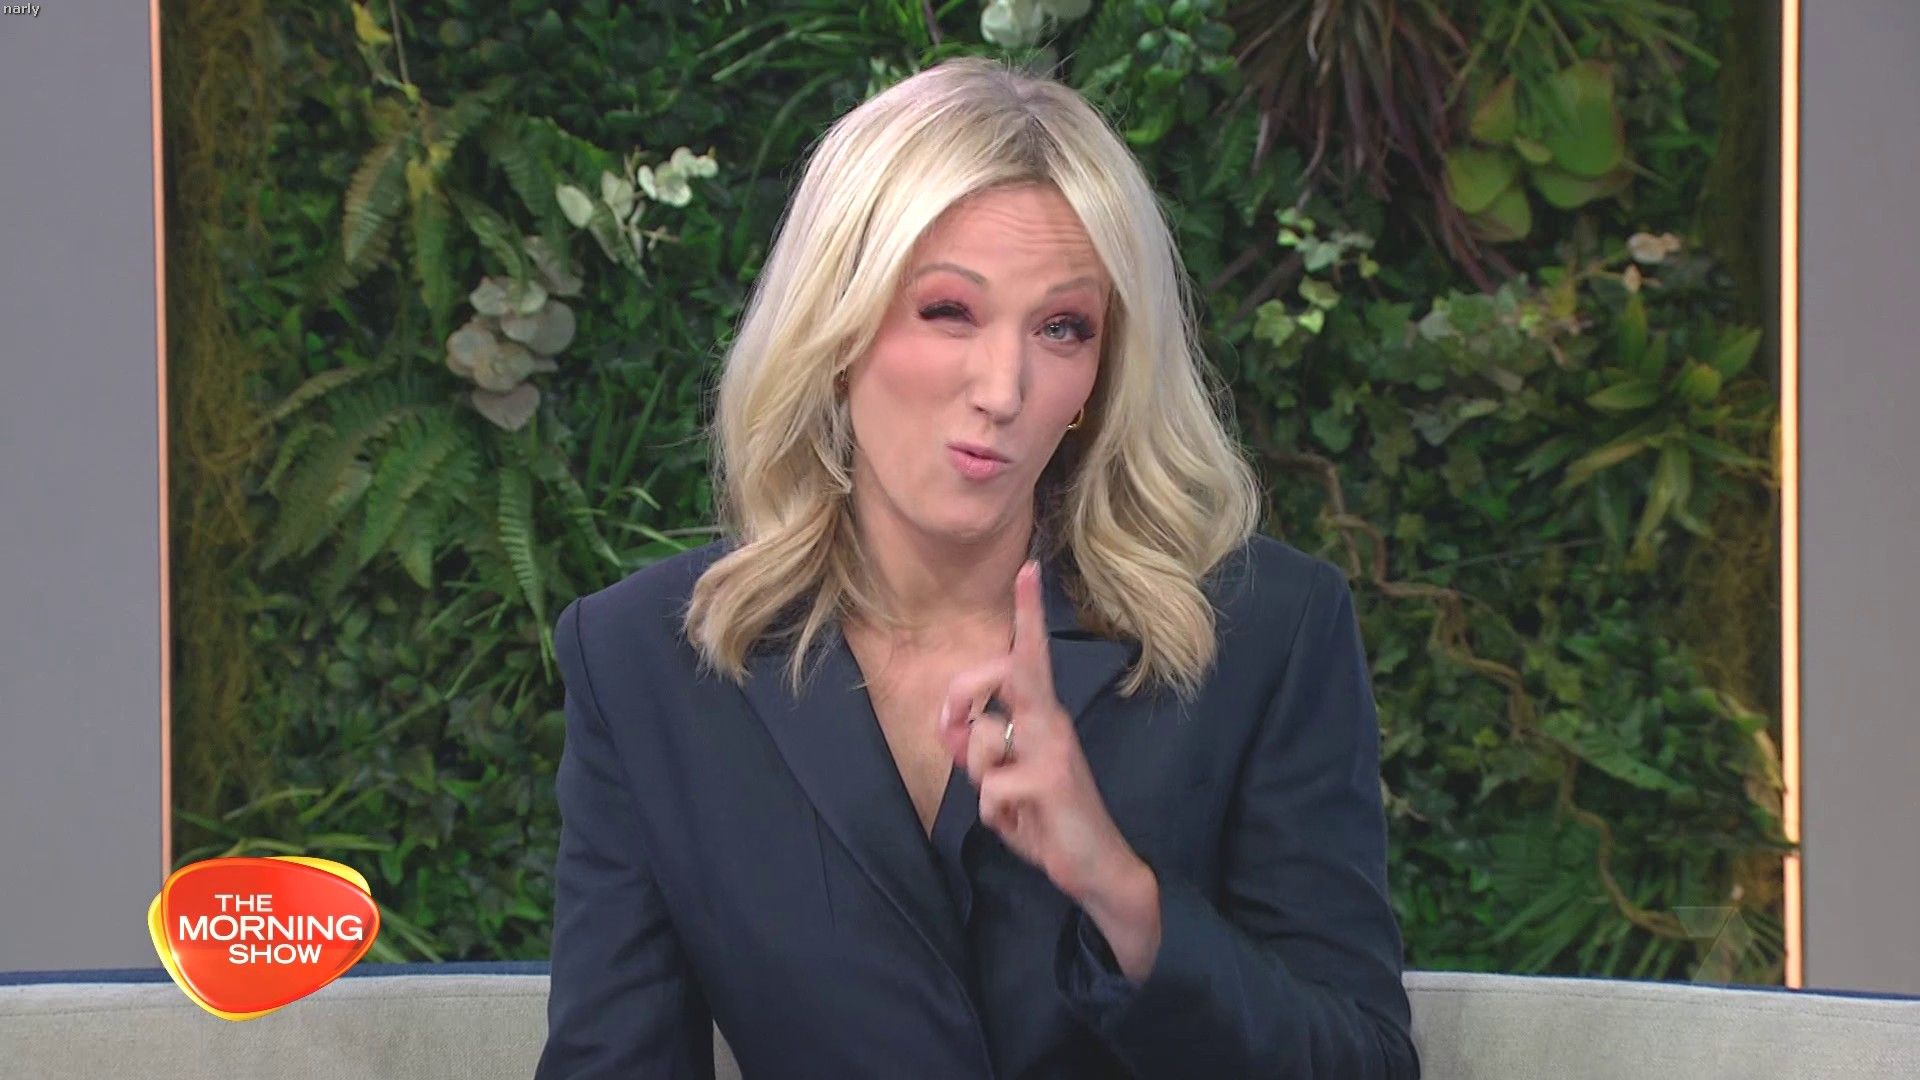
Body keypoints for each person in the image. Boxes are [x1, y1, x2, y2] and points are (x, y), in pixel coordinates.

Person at [535, 56, 1419, 1079]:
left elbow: (1364, 1063)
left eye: (1062, 328)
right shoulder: (644, 661)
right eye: (949, 311)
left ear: (1099, 378)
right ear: (838, 327)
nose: (1004, 389)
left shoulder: (1266, 632)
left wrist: (1124, 898)